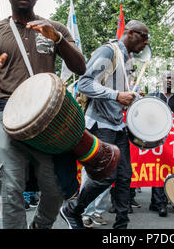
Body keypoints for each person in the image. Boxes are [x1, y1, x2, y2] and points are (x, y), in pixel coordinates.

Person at [0, 0, 86, 229]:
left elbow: (81, 67)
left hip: (47, 120)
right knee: (9, 185)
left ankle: (40, 226)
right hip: (7, 114)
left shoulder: (53, 28)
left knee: (55, 186)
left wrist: (59, 40)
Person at [60, 19, 149, 229]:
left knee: (125, 177)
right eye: (144, 37)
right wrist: (117, 95)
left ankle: (121, 227)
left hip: (118, 126)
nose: (146, 43)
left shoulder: (128, 59)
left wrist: (131, 96)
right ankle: (72, 210)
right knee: (105, 176)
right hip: (100, 125)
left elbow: (115, 89)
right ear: (130, 32)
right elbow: (85, 82)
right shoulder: (109, 52)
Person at [148, 70, 174, 217]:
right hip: (155, 139)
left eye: (172, 78)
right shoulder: (153, 96)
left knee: (168, 170)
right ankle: (159, 202)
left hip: (172, 141)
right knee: (157, 169)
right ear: (161, 80)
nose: (169, 80)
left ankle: (157, 201)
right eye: (167, 78)